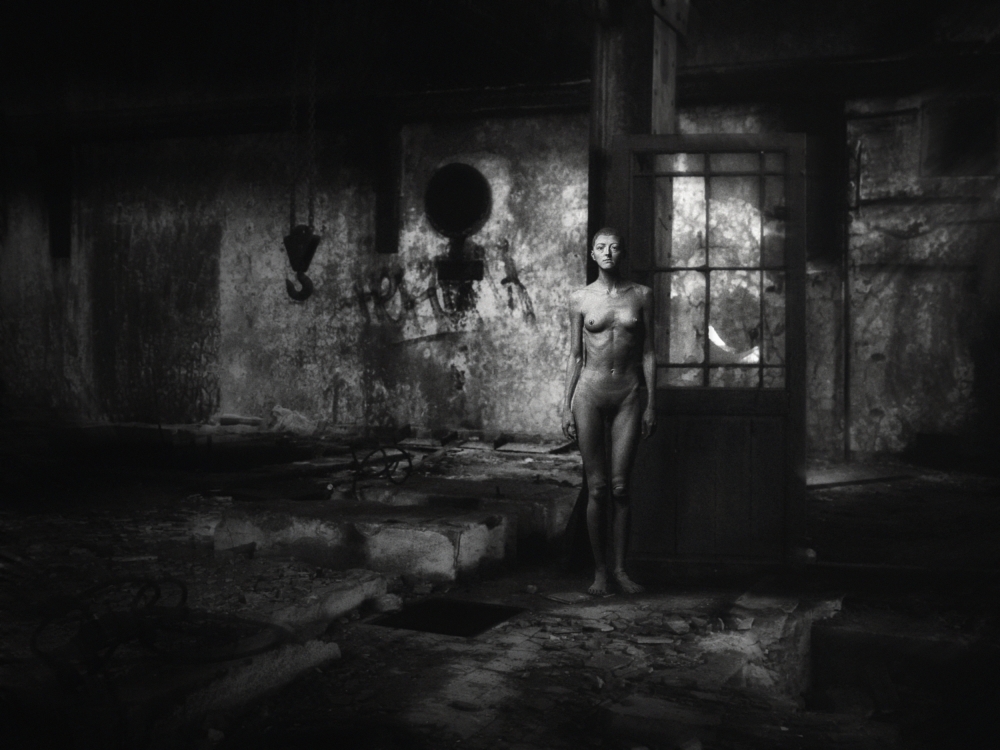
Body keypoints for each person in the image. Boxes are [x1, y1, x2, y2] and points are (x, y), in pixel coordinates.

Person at [562, 228, 656, 595]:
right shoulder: (580, 298)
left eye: (614, 247)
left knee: (620, 487)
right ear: (592, 254)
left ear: (622, 253)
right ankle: (600, 572)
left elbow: (648, 352)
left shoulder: (642, 295)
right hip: (589, 392)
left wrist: (652, 403)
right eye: (601, 247)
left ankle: (620, 570)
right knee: (598, 487)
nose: (608, 252)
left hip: (628, 393)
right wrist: (565, 407)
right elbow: (574, 355)